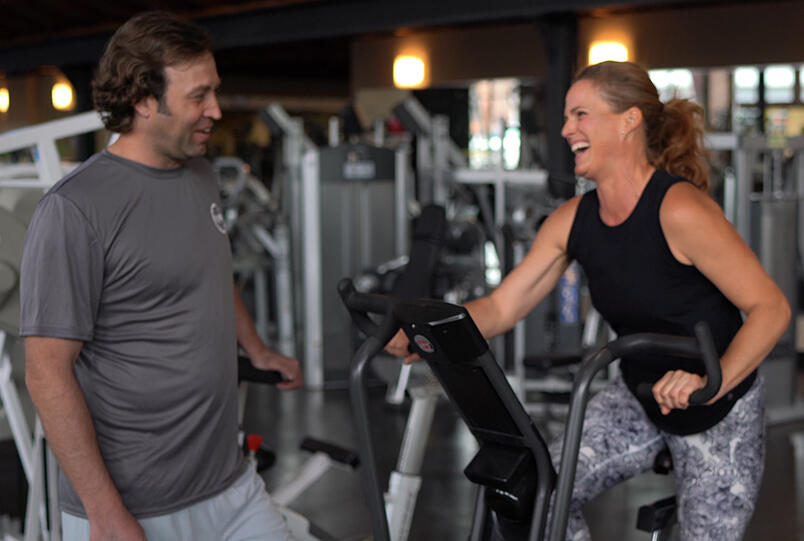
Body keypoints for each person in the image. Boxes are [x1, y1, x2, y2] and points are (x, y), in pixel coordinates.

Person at [386, 61, 790, 540]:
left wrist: (710, 381)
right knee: (538, 496)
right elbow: (501, 308)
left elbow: (771, 308)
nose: (565, 129)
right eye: (565, 117)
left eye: (580, 114)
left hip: (718, 409)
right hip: (639, 396)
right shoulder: (573, 220)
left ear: (628, 120)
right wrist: (426, 333)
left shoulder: (680, 209)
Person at [20, 11, 302, 541]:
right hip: (133, 505)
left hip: (231, 482)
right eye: (199, 96)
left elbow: (211, 270)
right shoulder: (74, 209)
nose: (215, 110)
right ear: (143, 100)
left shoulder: (200, 174)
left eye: (214, 91)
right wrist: (105, 513)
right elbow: (46, 373)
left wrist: (257, 348)